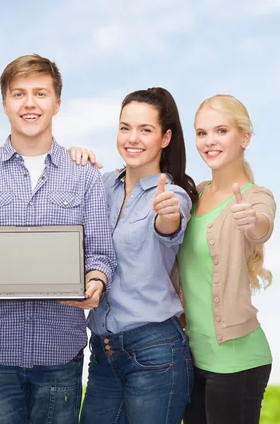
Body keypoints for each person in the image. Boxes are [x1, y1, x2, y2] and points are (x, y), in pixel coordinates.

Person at [0, 54, 116, 424]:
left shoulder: (83, 175)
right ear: (5, 103)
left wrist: (95, 281)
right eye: (19, 93)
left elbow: (101, 254)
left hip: (60, 351)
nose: (30, 103)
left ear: (57, 102)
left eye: (40, 93)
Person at [72, 87, 197, 424]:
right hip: (102, 351)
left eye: (146, 130)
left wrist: (167, 215)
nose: (132, 138)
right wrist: (72, 158)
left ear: (165, 137)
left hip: (155, 350)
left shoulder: (172, 195)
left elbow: (170, 225)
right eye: (125, 127)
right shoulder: (101, 185)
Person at [177, 95, 275, 424]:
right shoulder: (197, 192)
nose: (209, 141)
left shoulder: (255, 197)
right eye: (202, 133)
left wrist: (253, 222)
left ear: (244, 138)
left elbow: (262, 225)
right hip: (196, 356)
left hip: (238, 359)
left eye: (221, 130)